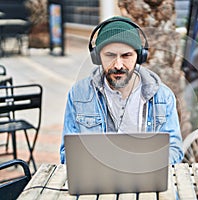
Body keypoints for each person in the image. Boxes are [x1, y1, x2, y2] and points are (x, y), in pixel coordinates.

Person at [60, 16, 183, 165]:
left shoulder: (163, 96)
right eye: (110, 55)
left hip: (145, 182)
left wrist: (153, 167)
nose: (118, 65)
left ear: (139, 56)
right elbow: (67, 153)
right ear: (97, 57)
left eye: (126, 55)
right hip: (97, 185)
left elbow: (174, 149)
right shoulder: (79, 93)